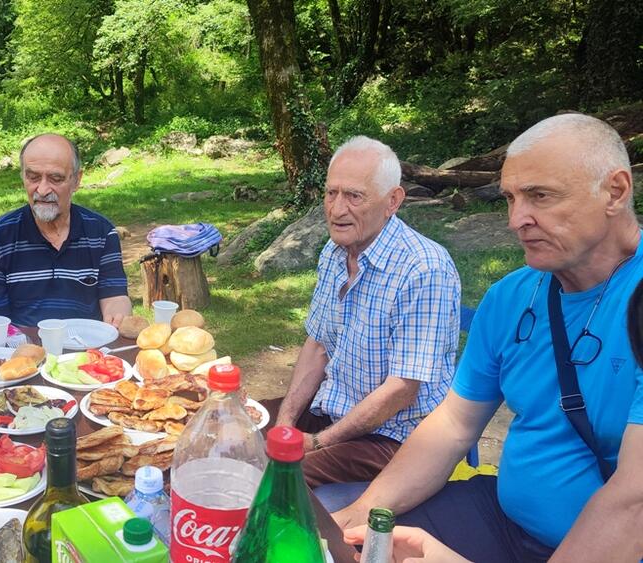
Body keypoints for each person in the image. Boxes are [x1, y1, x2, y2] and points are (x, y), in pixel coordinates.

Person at [334, 113, 643, 562]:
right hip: (502, 519)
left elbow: (633, 502)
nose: (517, 219)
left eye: (540, 196)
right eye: (510, 199)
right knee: (355, 550)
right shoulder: (511, 297)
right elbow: (454, 424)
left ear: (614, 191)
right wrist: (362, 512)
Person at [274, 136, 460, 488]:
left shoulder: (424, 268)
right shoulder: (334, 252)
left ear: (393, 201)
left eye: (354, 196)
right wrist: (285, 422)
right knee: (235, 430)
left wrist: (315, 443)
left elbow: (402, 390)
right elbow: (317, 345)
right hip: (336, 407)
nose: (336, 209)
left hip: (396, 436)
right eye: (331, 193)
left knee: (278, 481)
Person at [0, 133, 131, 327]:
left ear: (76, 180)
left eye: (56, 179)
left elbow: (115, 297)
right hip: (22, 351)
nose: (43, 189)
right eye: (33, 177)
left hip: (87, 350)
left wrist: (118, 317)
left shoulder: (102, 233)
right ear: (23, 177)